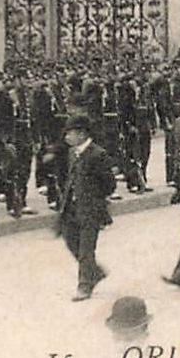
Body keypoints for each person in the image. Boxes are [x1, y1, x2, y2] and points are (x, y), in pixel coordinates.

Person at [56, 114, 114, 301]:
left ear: (82, 134)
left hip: (91, 210)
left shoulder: (98, 154)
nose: (66, 137)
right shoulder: (72, 153)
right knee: (70, 240)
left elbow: (109, 184)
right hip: (72, 208)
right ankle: (94, 273)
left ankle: (84, 286)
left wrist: (96, 199)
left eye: (70, 133)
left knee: (86, 250)